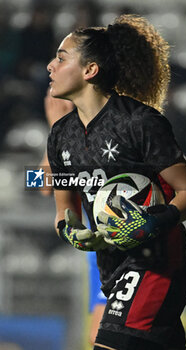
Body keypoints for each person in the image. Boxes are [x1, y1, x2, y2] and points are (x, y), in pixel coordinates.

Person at [47, 14, 186, 350]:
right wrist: (70, 230)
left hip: (159, 263)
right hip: (112, 268)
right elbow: (63, 207)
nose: (50, 66)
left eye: (61, 58)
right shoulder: (60, 135)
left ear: (90, 70)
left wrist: (151, 222)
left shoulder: (140, 122)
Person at [39, 92, 107, 346]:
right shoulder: (71, 129)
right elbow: (42, 183)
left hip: (127, 245)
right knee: (99, 338)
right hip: (100, 253)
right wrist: (58, 128)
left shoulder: (110, 125)